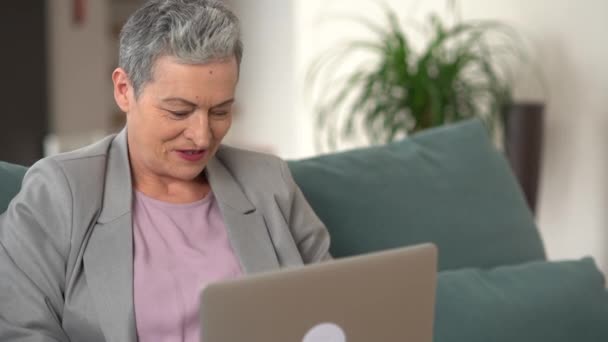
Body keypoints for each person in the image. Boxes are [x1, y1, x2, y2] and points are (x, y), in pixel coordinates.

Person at [0, 1, 331, 341]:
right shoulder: (59, 192)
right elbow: (20, 331)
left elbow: (336, 308)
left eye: (220, 111)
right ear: (124, 90)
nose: (202, 136)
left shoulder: (267, 181)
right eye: (178, 111)